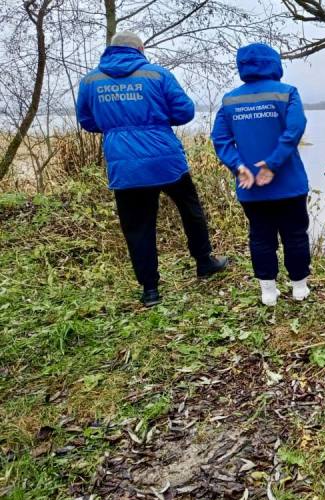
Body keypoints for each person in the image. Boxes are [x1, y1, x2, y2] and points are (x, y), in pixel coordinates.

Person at [76, 31, 227, 307]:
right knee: (190, 209)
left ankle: (150, 290)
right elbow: (185, 112)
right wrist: (155, 120)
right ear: (140, 49)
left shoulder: (90, 81)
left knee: (137, 227)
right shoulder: (157, 75)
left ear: (111, 50)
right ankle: (205, 262)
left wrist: (118, 128)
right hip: (164, 158)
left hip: (124, 163)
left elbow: (86, 121)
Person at [210, 43, 310, 306]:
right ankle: (299, 287)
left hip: (250, 186)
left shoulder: (231, 100)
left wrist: (239, 166)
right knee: (296, 235)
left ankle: (268, 291)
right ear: (274, 63)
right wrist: (272, 163)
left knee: (260, 236)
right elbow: (296, 129)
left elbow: (220, 139)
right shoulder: (287, 93)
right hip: (290, 183)